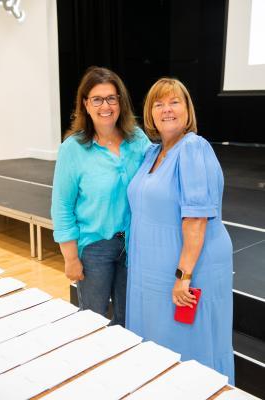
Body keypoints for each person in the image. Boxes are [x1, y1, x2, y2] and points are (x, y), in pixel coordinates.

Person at [125, 77, 234, 383]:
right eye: (158, 104)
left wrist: (183, 276)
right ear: (150, 113)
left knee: (191, 355)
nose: (166, 109)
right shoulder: (152, 153)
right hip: (154, 269)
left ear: (188, 110)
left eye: (174, 102)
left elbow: (197, 220)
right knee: (160, 351)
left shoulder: (192, 148)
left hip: (188, 270)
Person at [51, 66, 150, 326]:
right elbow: (62, 207)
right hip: (94, 249)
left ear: (120, 102)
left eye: (111, 98)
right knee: (92, 322)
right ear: (85, 103)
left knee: (129, 321)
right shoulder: (73, 149)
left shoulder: (137, 139)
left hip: (133, 246)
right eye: (97, 99)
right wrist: (70, 258)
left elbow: (158, 174)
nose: (105, 105)